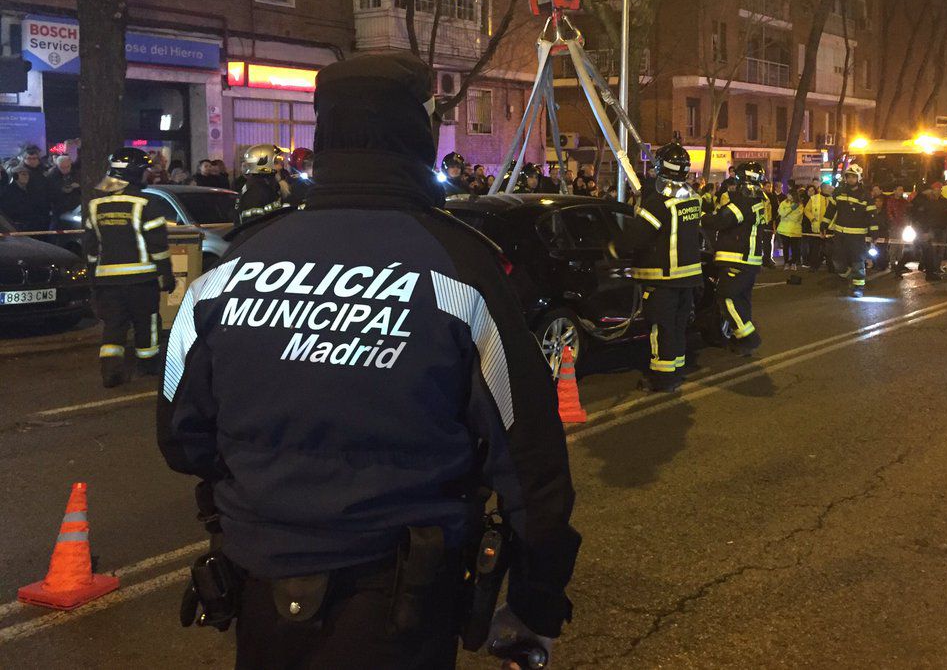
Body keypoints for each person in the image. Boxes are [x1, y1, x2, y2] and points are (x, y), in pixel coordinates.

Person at [158, 53, 580, 668]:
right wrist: (537, 603)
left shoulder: (235, 265)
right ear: (418, 137)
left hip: (259, 587)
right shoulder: (459, 267)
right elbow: (531, 462)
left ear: (323, 136)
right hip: (403, 595)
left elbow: (180, 438)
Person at [615, 143, 703, 393]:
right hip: (687, 278)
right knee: (676, 327)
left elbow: (638, 236)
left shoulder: (657, 203)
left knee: (661, 328)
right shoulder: (693, 198)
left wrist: (612, 247)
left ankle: (663, 379)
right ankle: (676, 371)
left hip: (663, 278)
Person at [85, 148, 175, 387]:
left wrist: (93, 278)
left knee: (114, 326)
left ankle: (110, 370)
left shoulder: (95, 205)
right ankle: (147, 365)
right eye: (144, 171)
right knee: (147, 323)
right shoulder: (146, 204)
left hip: (107, 282)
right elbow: (158, 246)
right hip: (141, 281)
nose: (147, 175)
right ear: (135, 174)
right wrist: (166, 276)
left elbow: (92, 249)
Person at [703, 161, 767, 355]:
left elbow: (721, 220)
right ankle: (742, 343)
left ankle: (749, 338)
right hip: (749, 259)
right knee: (742, 299)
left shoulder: (743, 201)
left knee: (726, 295)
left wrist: (699, 215)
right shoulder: (758, 198)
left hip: (738, 258)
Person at [822, 164, 878, 297]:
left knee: (857, 261)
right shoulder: (839, 192)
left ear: (858, 178)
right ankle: (848, 278)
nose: (850, 179)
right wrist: (823, 225)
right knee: (838, 261)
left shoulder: (865, 196)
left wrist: (874, 232)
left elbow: (872, 215)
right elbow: (831, 210)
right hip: (840, 234)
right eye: (848, 176)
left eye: (853, 177)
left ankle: (858, 287)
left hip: (857, 236)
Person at [235, 145, 288, 227]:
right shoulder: (255, 193)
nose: (280, 167)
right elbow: (253, 228)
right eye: (276, 163)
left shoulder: (264, 187)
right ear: (263, 164)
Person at [804, 182, 835, 271]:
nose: (830, 190)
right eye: (828, 188)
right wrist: (812, 219)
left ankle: (830, 267)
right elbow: (807, 210)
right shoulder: (814, 198)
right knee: (816, 249)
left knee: (830, 249)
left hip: (830, 228)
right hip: (817, 228)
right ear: (822, 189)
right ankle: (814, 266)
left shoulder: (833, 199)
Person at [777, 185, 805, 272]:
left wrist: (787, 215)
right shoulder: (783, 203)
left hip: (795, 230)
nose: (788, 196)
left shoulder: (800, 205)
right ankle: (786, 263)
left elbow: (796, 217)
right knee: (785, 247)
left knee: (794, 248)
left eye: (789, 195)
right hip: (784, 229)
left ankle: (793, 263)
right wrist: (791, 209)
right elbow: (782, 213)